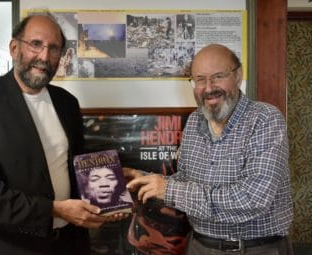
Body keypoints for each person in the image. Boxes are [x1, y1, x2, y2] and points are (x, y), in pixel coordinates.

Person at [0, 13, 125, 255]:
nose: (44, 56)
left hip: (69, 243)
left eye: (54, 49)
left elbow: (75, 165)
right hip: (9, 247)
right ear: (15, 48)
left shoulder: (67, 103)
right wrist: (54, 210)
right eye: (36, 44)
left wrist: (106, 200)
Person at [124, 44, 294, 255]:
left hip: (256, 249)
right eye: (200, 79)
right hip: (199, 247)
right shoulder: (195, 120)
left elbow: (254, 199)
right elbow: (185, 180)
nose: (208, 87)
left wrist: (168, 189)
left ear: (238, 76)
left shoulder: (265, 119)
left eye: (218, 76)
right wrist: (142, 180)